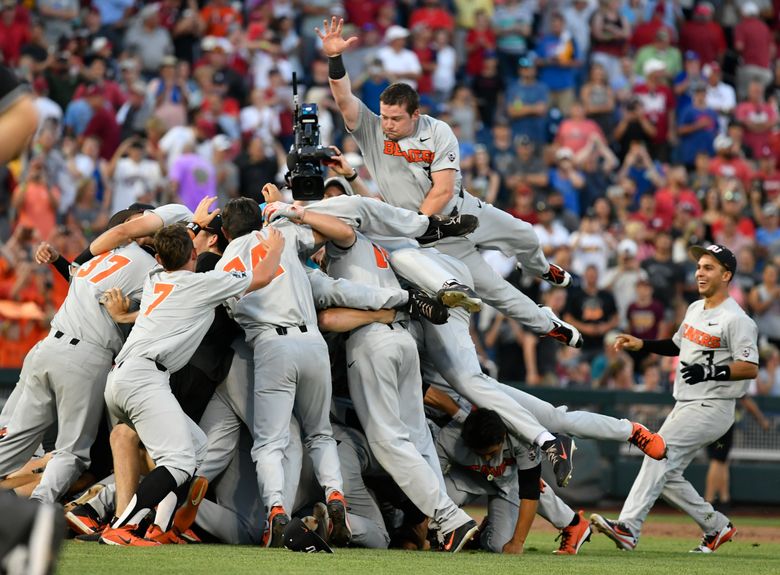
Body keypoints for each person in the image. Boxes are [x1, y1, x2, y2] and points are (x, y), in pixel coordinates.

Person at [317, 17, 582, 349]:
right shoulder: (372, 130)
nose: (387, 124)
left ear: (415, 115)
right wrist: (334, 58)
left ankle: (541, 269)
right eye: (384, 116)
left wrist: (421, 225)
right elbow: (344, 99)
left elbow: (442, 189)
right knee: (495, 291)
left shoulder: (436, 130)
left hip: (463, 211)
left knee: (526, 235)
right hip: (432, 238)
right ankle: (548, 324)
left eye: (396, 118)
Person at [99, 223, 283, 546]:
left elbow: (173, 248)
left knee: (197, 447)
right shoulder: (200, 284)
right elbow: (265, 275)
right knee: (179, 461)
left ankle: (160, 526)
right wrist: (276, 247)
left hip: (123, 376)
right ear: (195, 254)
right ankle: (122, 527)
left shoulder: (155, 276)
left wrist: (194, 225)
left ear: (159, 256)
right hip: (145, 377)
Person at [592, 244, 759, 553]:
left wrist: (710, 371)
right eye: (699, 266)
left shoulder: (737, 319)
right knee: (665, 471)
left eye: (709, 267)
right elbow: (676, 345)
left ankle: (628, 528)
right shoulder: (695, 308)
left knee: (657, 456)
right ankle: (716, 526)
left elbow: (749, 367)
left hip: (713, 405)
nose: (699, 272)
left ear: (727, 275)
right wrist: (641, 344)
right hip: (686, 403)